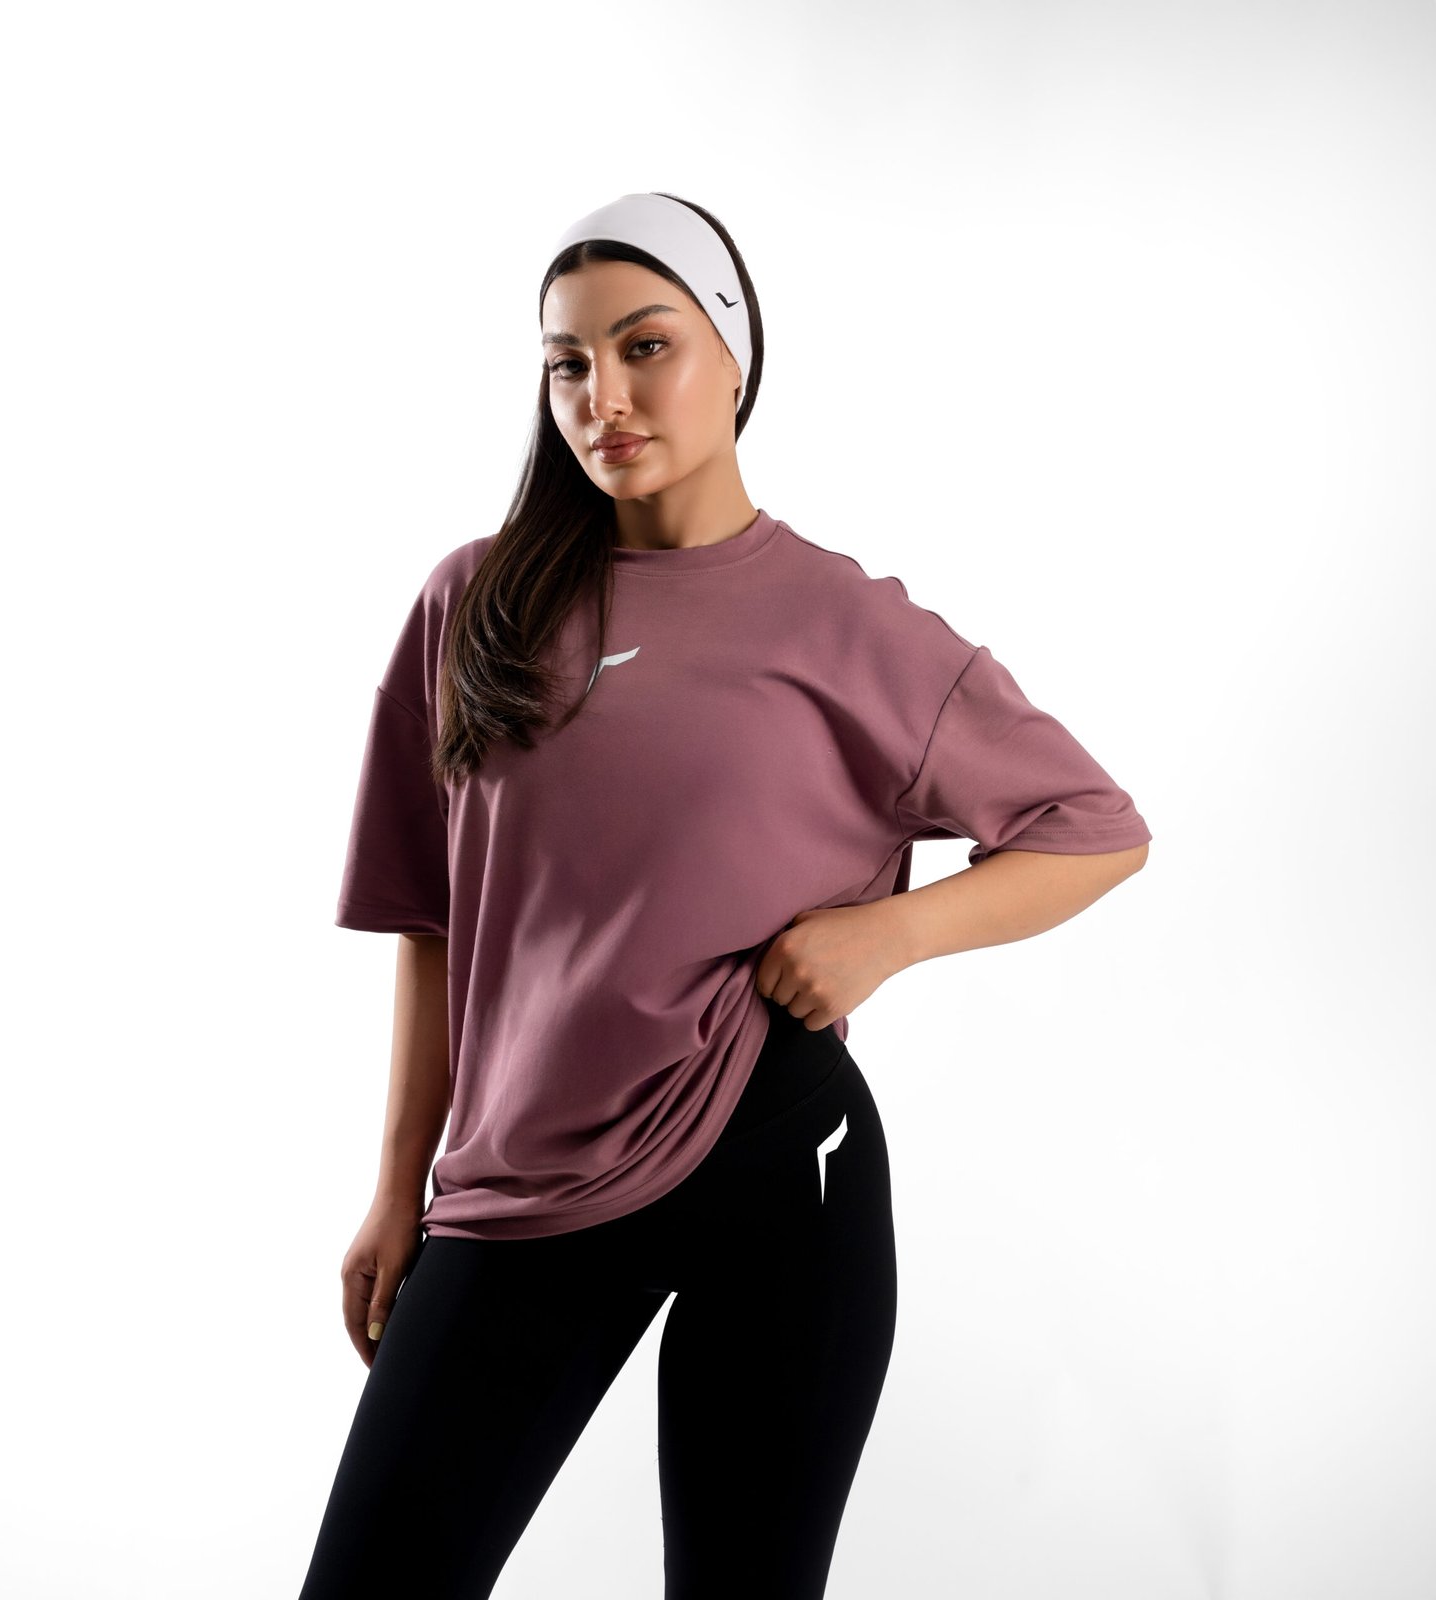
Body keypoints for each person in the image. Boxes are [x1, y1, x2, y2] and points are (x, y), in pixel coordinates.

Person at [297, 191, 1152, 1599]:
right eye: (568, 363)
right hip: (519, 1191)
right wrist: (400, 1190)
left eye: (647, 348)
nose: (604, 397)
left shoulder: (846, 625)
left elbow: (1095, 830)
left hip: (779, 1162)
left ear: (735, 357)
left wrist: (888, 935)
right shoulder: (476, 604)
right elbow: (435, 923)